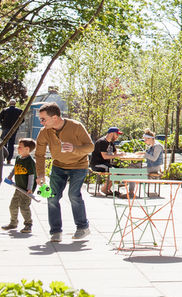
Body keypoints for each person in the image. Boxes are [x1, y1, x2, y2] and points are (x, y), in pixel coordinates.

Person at [34, 102, 94, 243]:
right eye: (40, 119)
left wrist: (74, 148)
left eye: (43, 119)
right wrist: (41, 174)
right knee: (52, 197)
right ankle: (55, 231)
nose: (41, 122)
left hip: (79, 166)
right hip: (58, 166)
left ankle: (82, 227)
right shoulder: (44, 132)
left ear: (55, 117)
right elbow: (39, 155)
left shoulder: (76, 127)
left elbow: (90, 147)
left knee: (73, 195)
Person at [3, 137, 37, 232]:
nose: (18, 149)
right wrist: (10, 176)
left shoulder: (30, 161)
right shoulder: (18, 158)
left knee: (24, 207)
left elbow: (31, 175)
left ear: (27, 149)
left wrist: (29, 188)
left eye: (20, 147)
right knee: (12, 206)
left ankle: (28, 224)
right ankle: (13, 223)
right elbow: (15, 168)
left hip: (26, 190)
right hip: (18, 188)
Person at [89, 126, 122, 196]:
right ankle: (104, 189)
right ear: (111, 134)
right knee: (114, 171)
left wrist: (122, 154)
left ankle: (107, 188)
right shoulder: (102, 142)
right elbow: (105, 156)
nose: (117, 137)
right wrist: (118, 155)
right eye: (117, 134)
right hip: (97, 164)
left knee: (120, 170)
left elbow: (116, 152)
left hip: (105, 164)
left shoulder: (110, 142)